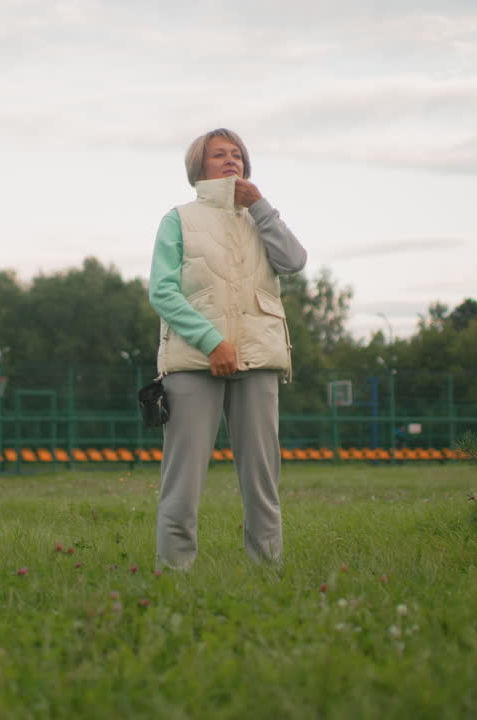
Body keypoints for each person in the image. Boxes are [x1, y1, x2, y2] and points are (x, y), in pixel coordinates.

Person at [148, 128, 308, 570]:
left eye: (237, 154)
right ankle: (173, 578)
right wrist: (212, 341)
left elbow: (294, 262)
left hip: (259, 360)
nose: (231, 160)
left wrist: (260, 205)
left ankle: (268, 576)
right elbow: (162, 293)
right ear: (199, 167)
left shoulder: (261, 218)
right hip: (193, 362)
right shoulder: (178, 219)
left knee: (263, 483)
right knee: (182, 484)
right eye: (219, 154)